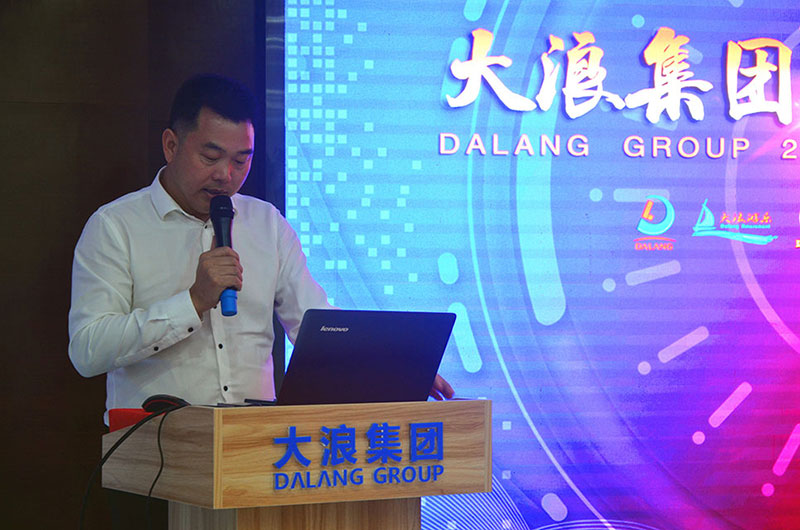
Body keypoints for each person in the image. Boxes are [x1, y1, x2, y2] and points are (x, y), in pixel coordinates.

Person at [69, 73, 453, 417]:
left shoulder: (266, 223)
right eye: (211, 156)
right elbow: (87, 351)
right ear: (171, 145)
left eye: (241, 160)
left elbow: (316, 324)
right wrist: (193, 301)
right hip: (156, 450)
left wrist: (397, 368)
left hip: (254, 446)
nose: (226, 175)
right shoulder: (116, 226)